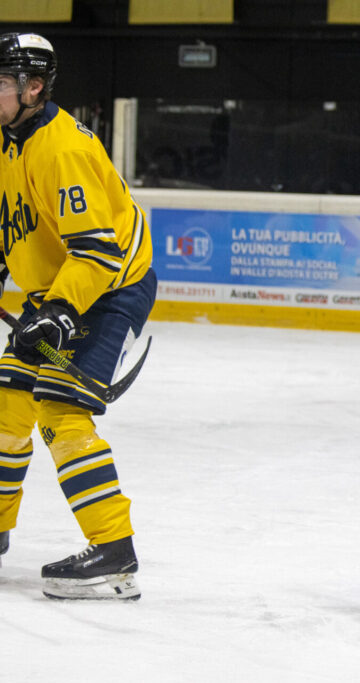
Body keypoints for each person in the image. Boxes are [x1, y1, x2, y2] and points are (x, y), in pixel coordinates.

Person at [0, 33, 155, 600]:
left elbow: (97, 250)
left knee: (60, 412)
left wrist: (61, 311)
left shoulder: (61, 149)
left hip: (108, 290)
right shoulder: (8, 139)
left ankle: (115, 552)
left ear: (32, 87)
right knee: (7, 404)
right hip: (60, 291)